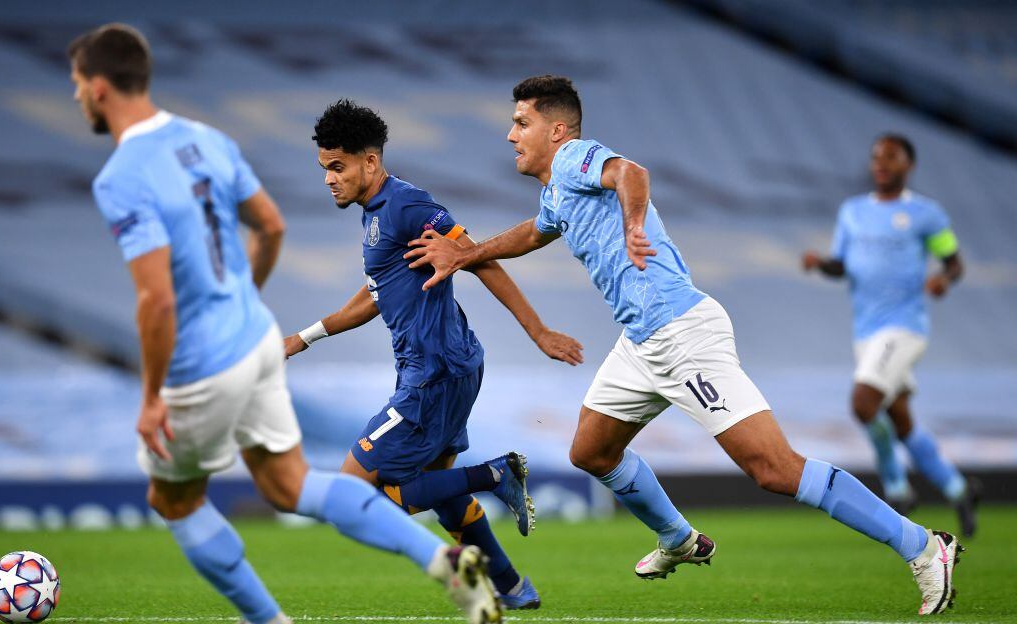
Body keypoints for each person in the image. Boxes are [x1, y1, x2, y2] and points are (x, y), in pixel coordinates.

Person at [405, 75, 964, 615]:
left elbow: (631, 173)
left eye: (521, 122)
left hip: (681, 335)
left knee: (773, 468)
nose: (510, 135)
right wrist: (465, 254)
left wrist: (633, 223)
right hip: (642, 342)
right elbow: (533, 232)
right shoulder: (559, 192)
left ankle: (920, 545)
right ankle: (678, 537)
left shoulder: (577, 158)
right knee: (591, 452)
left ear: (556, 131)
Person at [69, 24, 501, 624]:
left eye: (75, 86)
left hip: (200, 361)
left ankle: (269, 620)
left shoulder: (119, 178)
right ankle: (442, 560)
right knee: (291, 486)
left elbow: (157, 301)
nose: (75, 98)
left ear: (97, 88)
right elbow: (270, 228)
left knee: (172, 498)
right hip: (254, 339)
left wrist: (150, 396)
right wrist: (240, 303)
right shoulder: (208, 140)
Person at [284, 99, 584, 610]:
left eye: (338, 167)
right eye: (324, 169)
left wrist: (538, 331)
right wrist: (303, 338)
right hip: (446, 365)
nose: (329, 179)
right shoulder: (376, 216)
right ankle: (512, 586)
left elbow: (477, 259)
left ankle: (495, 474)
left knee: (355, 498)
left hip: (434, 373)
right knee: (439, 494)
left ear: (370, 162)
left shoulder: (407, 206)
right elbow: (377, 293)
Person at [802, 134, 980, 535]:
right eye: (876, 157)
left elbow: (954, 262)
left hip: (905, 327)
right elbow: (841, 266)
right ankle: (960, 488)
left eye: (891, 158)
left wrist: (943, 279)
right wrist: (820, 263)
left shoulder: (926, 214)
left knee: (863, 403)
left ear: (908, 165)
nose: (881, 163)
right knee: (901, 422)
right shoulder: (852, 212)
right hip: (866, 330)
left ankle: (897, 489)